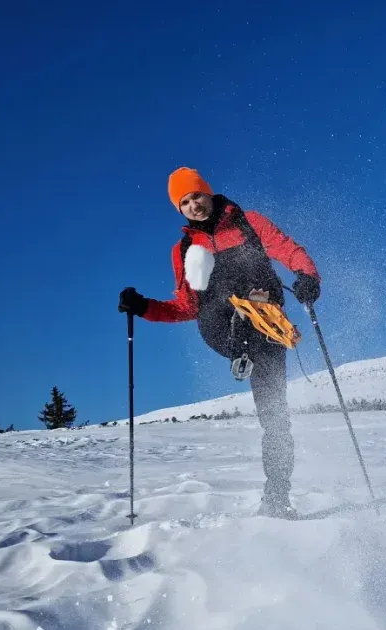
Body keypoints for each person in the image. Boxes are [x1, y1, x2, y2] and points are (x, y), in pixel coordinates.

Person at [119, 167, 321, 518]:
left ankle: (276, 498)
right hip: (217, 323)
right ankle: (240, 337)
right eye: (184, 202)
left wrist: (306, 276)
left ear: (208, 193)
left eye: (196, 195)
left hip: (268, 324)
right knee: (217, 302)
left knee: (275, 419)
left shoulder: (249, 222)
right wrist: (145, 307)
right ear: (179, 210)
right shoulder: (184, 249)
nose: (193, 205)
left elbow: (287, 250)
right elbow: (185, 307)